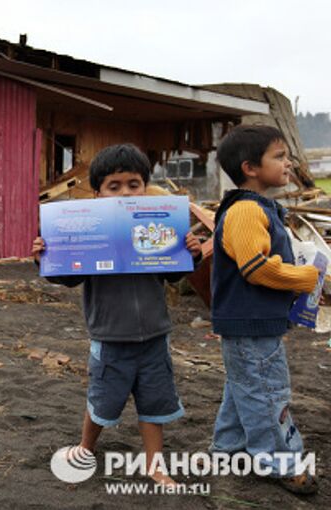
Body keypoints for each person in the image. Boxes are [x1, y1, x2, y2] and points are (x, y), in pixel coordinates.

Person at [32, 144, 201, 485]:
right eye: (114, 186)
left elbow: (171, 275)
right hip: (109, 339)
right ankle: (85, 448)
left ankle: (155, 465)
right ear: (97, 193)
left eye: (133, 184)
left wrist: (191, 254)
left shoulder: (157, 228)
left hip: (155, 337)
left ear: (145, 187)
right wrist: (45, 257)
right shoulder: (90, 233)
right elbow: (68, 276)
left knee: (153, 404)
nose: (125, 192)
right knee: (102, 401)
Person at [210, 125, 319, 494]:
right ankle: (280, 462)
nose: (289, 163)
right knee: (268, 391)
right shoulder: (244, 211)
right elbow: (256, 268)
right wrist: (306, 278)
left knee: (245, 385)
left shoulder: (257, 208)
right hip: (252, 322)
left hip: (250, 322)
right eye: (279, 156)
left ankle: (228, 448)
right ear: (250, 168)